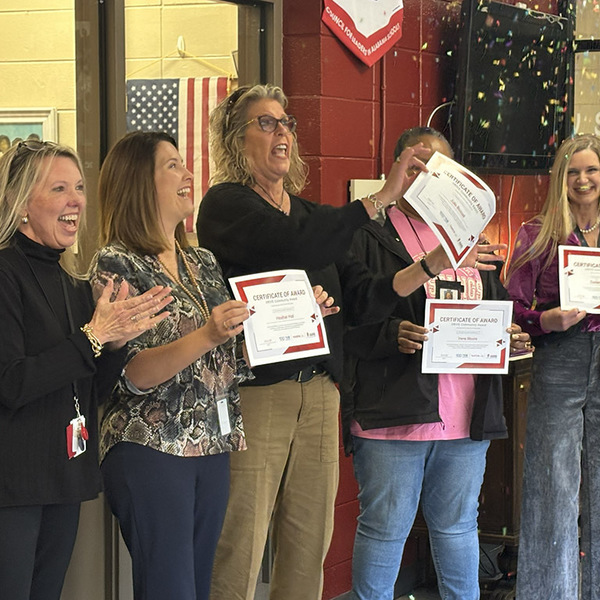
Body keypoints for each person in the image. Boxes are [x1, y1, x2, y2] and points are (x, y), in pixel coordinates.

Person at [196, 85, 497, 600]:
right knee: (241, 541)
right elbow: (292, 243)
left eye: (286, 122)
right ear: (233, 139)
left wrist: (430, 266)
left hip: (320, 391)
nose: (282, 132)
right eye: (265, 123)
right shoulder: (226, 205)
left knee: (308, 543)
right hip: (260, 392)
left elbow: (367, 295)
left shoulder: (312, 215)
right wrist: (381, 198)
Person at [341, 126, 531, 600]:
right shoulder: (368, 233)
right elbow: (347, 319)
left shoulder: (474, 239)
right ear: (398, 167)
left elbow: (493, 303)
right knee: (385, 529)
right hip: (392, 414)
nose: (430, 176)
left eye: (442, 168)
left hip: (465, 413)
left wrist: (506, 332)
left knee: (458, 528)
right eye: (419, 164)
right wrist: (390, 336)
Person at [0, 140, 171, 599]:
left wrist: (113, 346)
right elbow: (11, 383)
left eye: (78, 187)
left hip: (62, 476)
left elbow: (86, 391)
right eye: (59, 188)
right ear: (20, 205)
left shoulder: (75, 285)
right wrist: (92, 338)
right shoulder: (5, 273)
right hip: (11, 486)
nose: (76, 199)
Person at [88, 131, 253, 600]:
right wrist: (207, 334)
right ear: (140, 182)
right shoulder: (118, 263)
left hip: (210, 443)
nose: (189, 175)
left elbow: (230, 351)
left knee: (197, 587)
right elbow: (131, 373)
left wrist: (299, 319)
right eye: (173, 166)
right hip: (151, 447)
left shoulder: (201, 260)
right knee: (169, 589)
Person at [505, 133, 600, 599]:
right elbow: (514, 307)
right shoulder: (535, 234)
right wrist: (547, 318)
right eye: (573, 171)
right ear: (560, 179)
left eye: (591, 170)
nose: (583, 180)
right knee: (552, 484)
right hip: (558, 359)